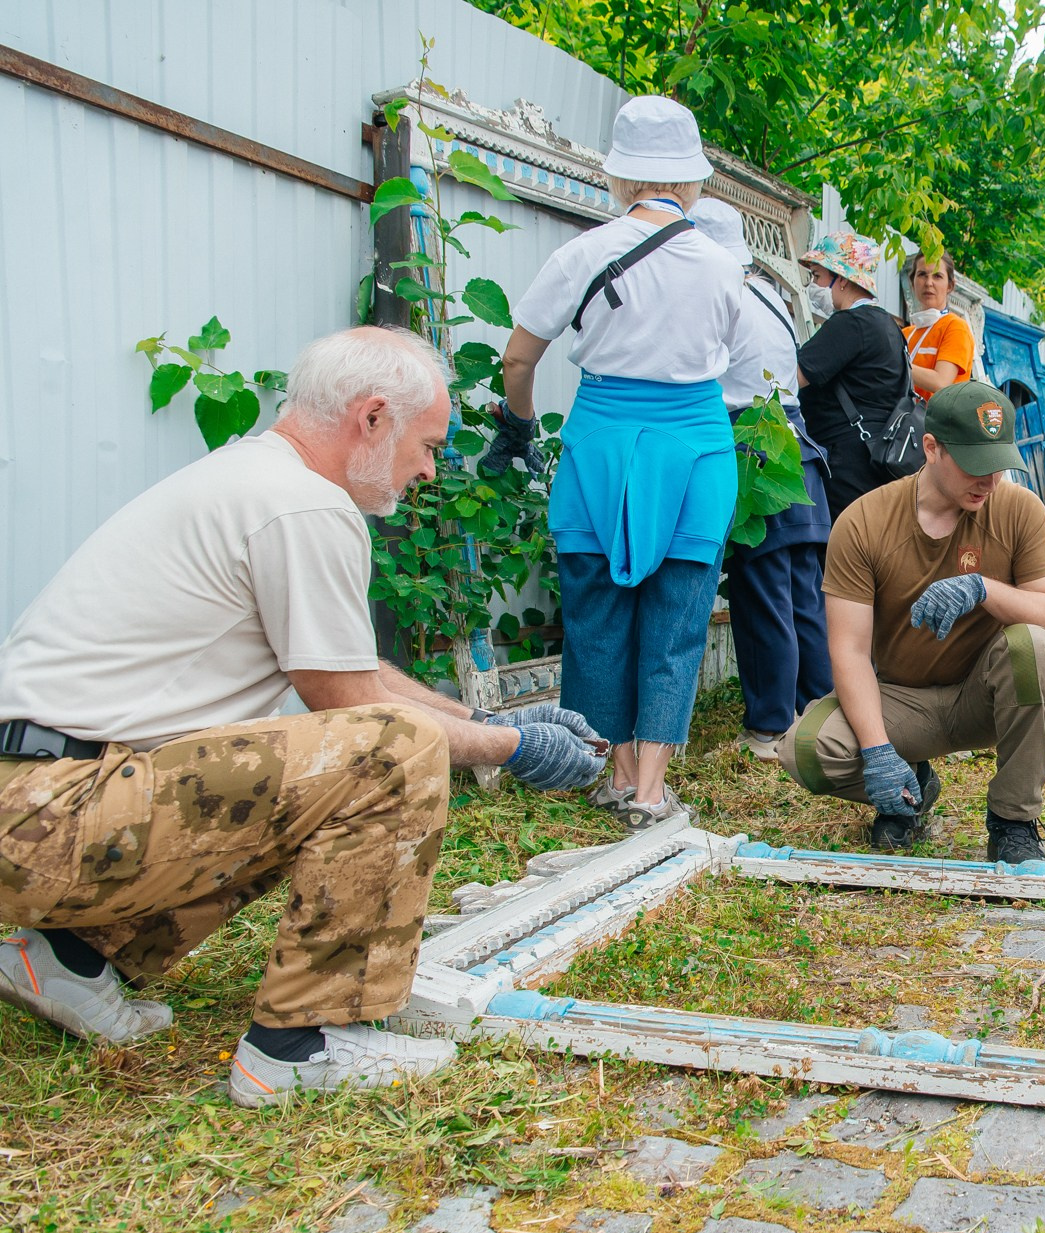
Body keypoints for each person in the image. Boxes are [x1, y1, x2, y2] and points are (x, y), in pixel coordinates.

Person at [0, 327, 606, 1106]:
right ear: (374, 418)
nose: (428, 468)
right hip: (57, 814)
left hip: (42, 801)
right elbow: (364, 719)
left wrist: (492, 715)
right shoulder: (303, 506)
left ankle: (67, 957)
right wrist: (511, 746)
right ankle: (300, 1042)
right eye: (426, 444)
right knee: (390, 756)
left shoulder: (258, 480)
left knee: (301, 774)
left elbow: (352, 670)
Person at [500, 96, 739, 830]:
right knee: (676, 617)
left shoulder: (580, 253)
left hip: (600, 439)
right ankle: (650, 793)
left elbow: (519, 358)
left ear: (619, 177)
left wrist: (519, 423)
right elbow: (725, 370)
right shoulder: (725, 267)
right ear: (690, 182)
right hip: (696, 446)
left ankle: (615, 770)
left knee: (596, 611)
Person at [779, 381, 1045, 862]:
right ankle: (911, 784)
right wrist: (875, 752)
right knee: (806, 750)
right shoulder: (864, 522)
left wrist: (983, 589)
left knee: (1032, 646)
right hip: (902, 701)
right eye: (975, 465)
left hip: (988, 696)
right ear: (931, 448)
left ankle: (1012, 821)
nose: (990, 480)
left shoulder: (1018, 509)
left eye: (999, 464)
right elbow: (849, 650)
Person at [690, 199, 834, 762]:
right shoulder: (772, 295)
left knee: (762, 589)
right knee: (803, 592)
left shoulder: (715, 295)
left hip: (751, 440)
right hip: (794, 440)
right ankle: (819, 717)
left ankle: (771, 726)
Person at [796, 232, 907, 517]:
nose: (813, 286)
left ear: (842, 279)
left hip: (846, 462)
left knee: (840, 551)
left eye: (817, 276)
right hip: (875, 458)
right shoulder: (888, 326)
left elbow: (791, 379)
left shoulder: (851, 324)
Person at [904, 250, 975, 401]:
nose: (928, 283)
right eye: (922, 274)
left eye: (937, 276)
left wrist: (895, 365)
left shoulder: (955, 327)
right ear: (912, 282)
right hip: (903, 422)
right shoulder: (905, 334)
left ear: (950, 285)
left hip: (936, 423)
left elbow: (941, 382)